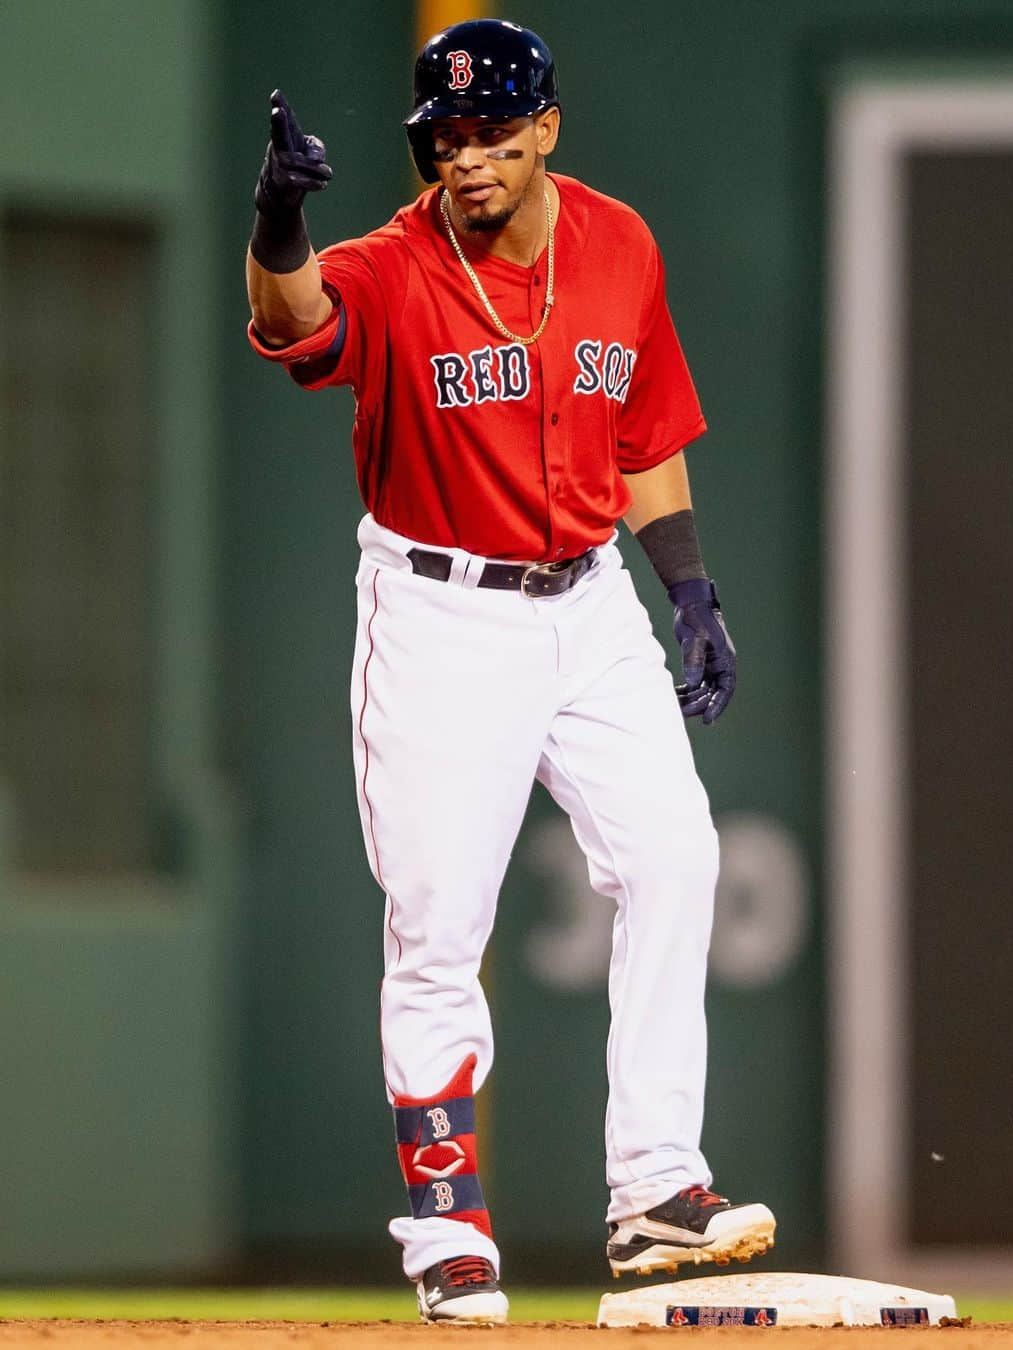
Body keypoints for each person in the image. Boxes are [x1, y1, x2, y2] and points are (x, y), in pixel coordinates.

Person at [246, 17, 776, 1326]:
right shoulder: (388, 264)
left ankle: (657, 1183)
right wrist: (276, 230)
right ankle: (447, 1231)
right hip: (439, 613)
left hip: (591, 598)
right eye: (445, 136)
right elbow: (297, 326)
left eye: (491, 131)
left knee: (676, 856)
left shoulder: (622, 245)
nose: (466, 156)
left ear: (545, 128)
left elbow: (644, 428)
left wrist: (690, 585)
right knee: (438, 928)